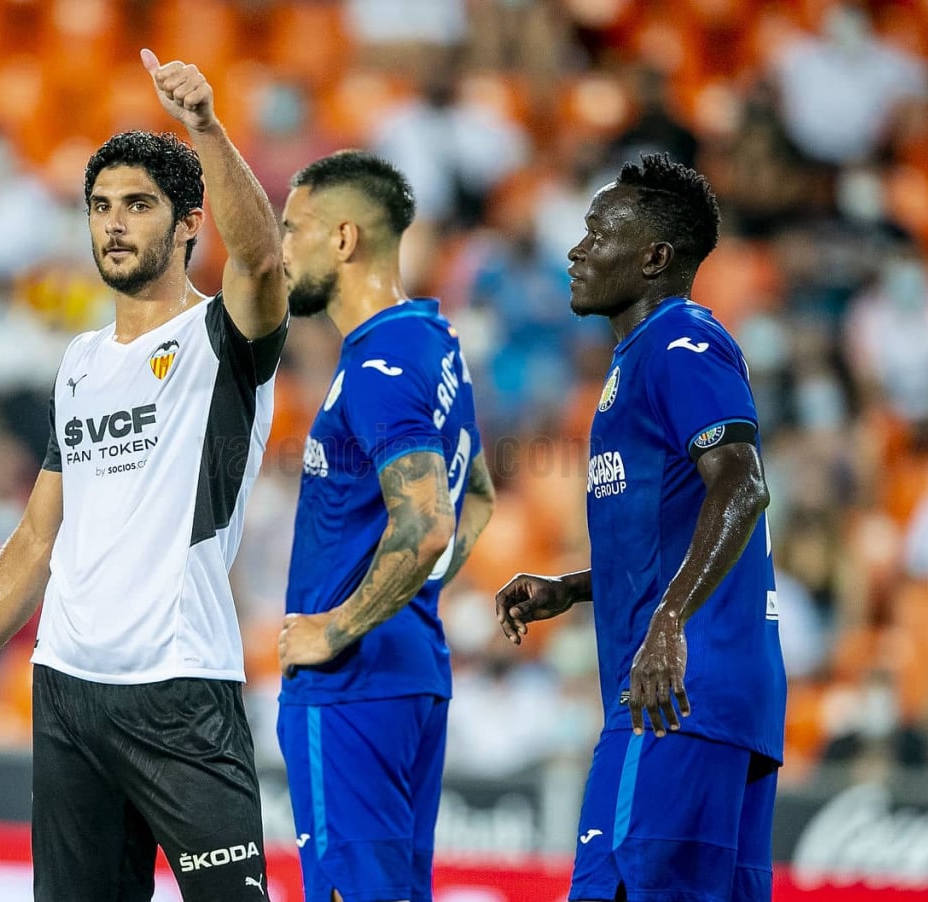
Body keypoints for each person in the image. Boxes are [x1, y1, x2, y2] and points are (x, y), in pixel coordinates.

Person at [0, 50, 288, 902]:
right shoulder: (80, 361)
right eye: (101, 206)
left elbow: (264, 264)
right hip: (68, 689)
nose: (114, 224)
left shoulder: (221, 341)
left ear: (189, 223)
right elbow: (37, 535)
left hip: (180, 683)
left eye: (138, 205)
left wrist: (205, 127)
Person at [496, 153, 786, 902]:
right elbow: (674, 532)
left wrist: (669, 618)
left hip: (673, 700)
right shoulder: (642, 358)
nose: (577, 249)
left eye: (599, 233)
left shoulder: (680, 343)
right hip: (711, 700)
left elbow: (743, 483)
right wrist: (572, 588)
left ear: (654, 257)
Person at [275, 150, 495, 902]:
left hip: (351, 684)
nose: (280, 248)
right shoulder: (434, 343)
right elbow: (480, 496)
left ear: (343, 239)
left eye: (292, 228)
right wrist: (410, 597)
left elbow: (429, 524)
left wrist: (337, 627)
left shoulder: (377, 368)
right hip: (410, 669)